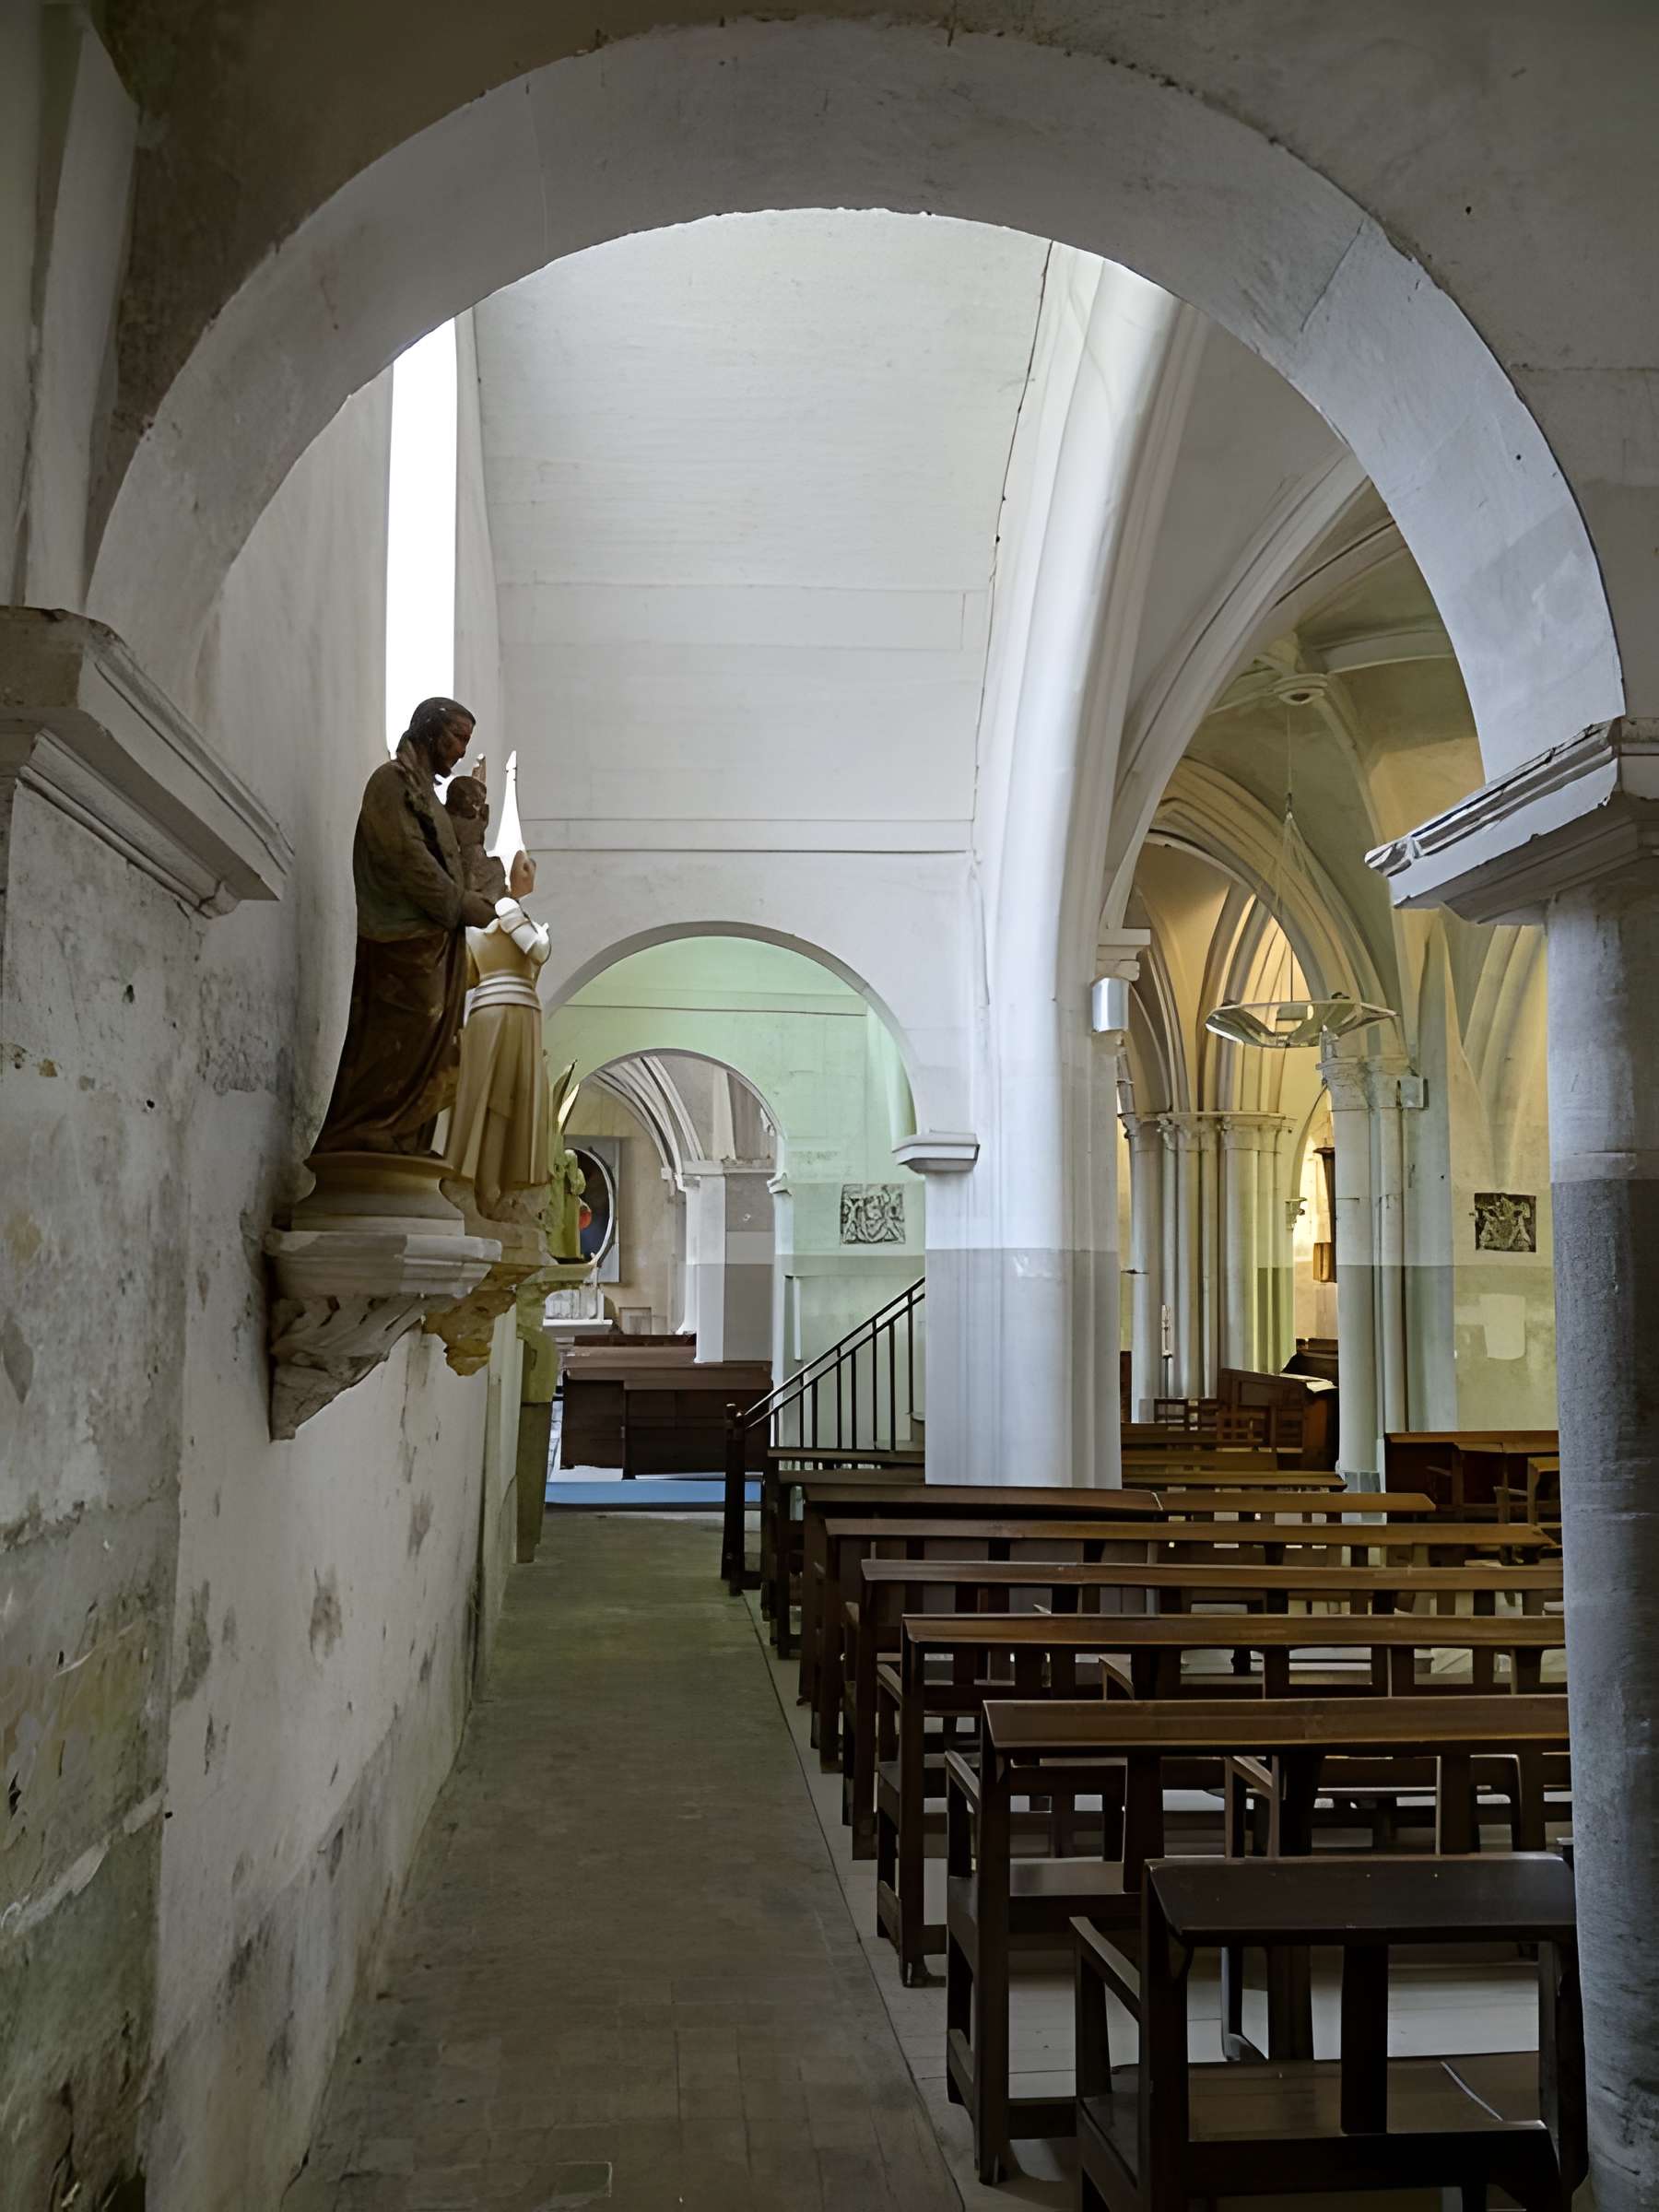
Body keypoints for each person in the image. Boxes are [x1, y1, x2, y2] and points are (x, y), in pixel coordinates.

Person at [312, 697, 496, 1156]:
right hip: (399, 939)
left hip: (434, 939)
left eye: (465, 742)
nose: (459, 750)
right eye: (456, 737)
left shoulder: (430, 796)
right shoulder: (390, 783)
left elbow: (450, 855)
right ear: (430, 729)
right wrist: (458, 904)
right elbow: (404, 856)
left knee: (435, 1035)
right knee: (405, 1027)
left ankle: (404, 1135)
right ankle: (365, 1126)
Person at [443, 850, 552, 1220]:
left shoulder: (477, 921)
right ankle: (485, 1185)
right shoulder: (506, 908)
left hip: (489, 1008)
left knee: (493, 1101)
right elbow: (538, 951)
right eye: (526, 864)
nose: (532, 871)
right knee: (500, 1101)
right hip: (512, 1009)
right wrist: (542, 934)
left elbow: (468, 974)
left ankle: (486, 1185)